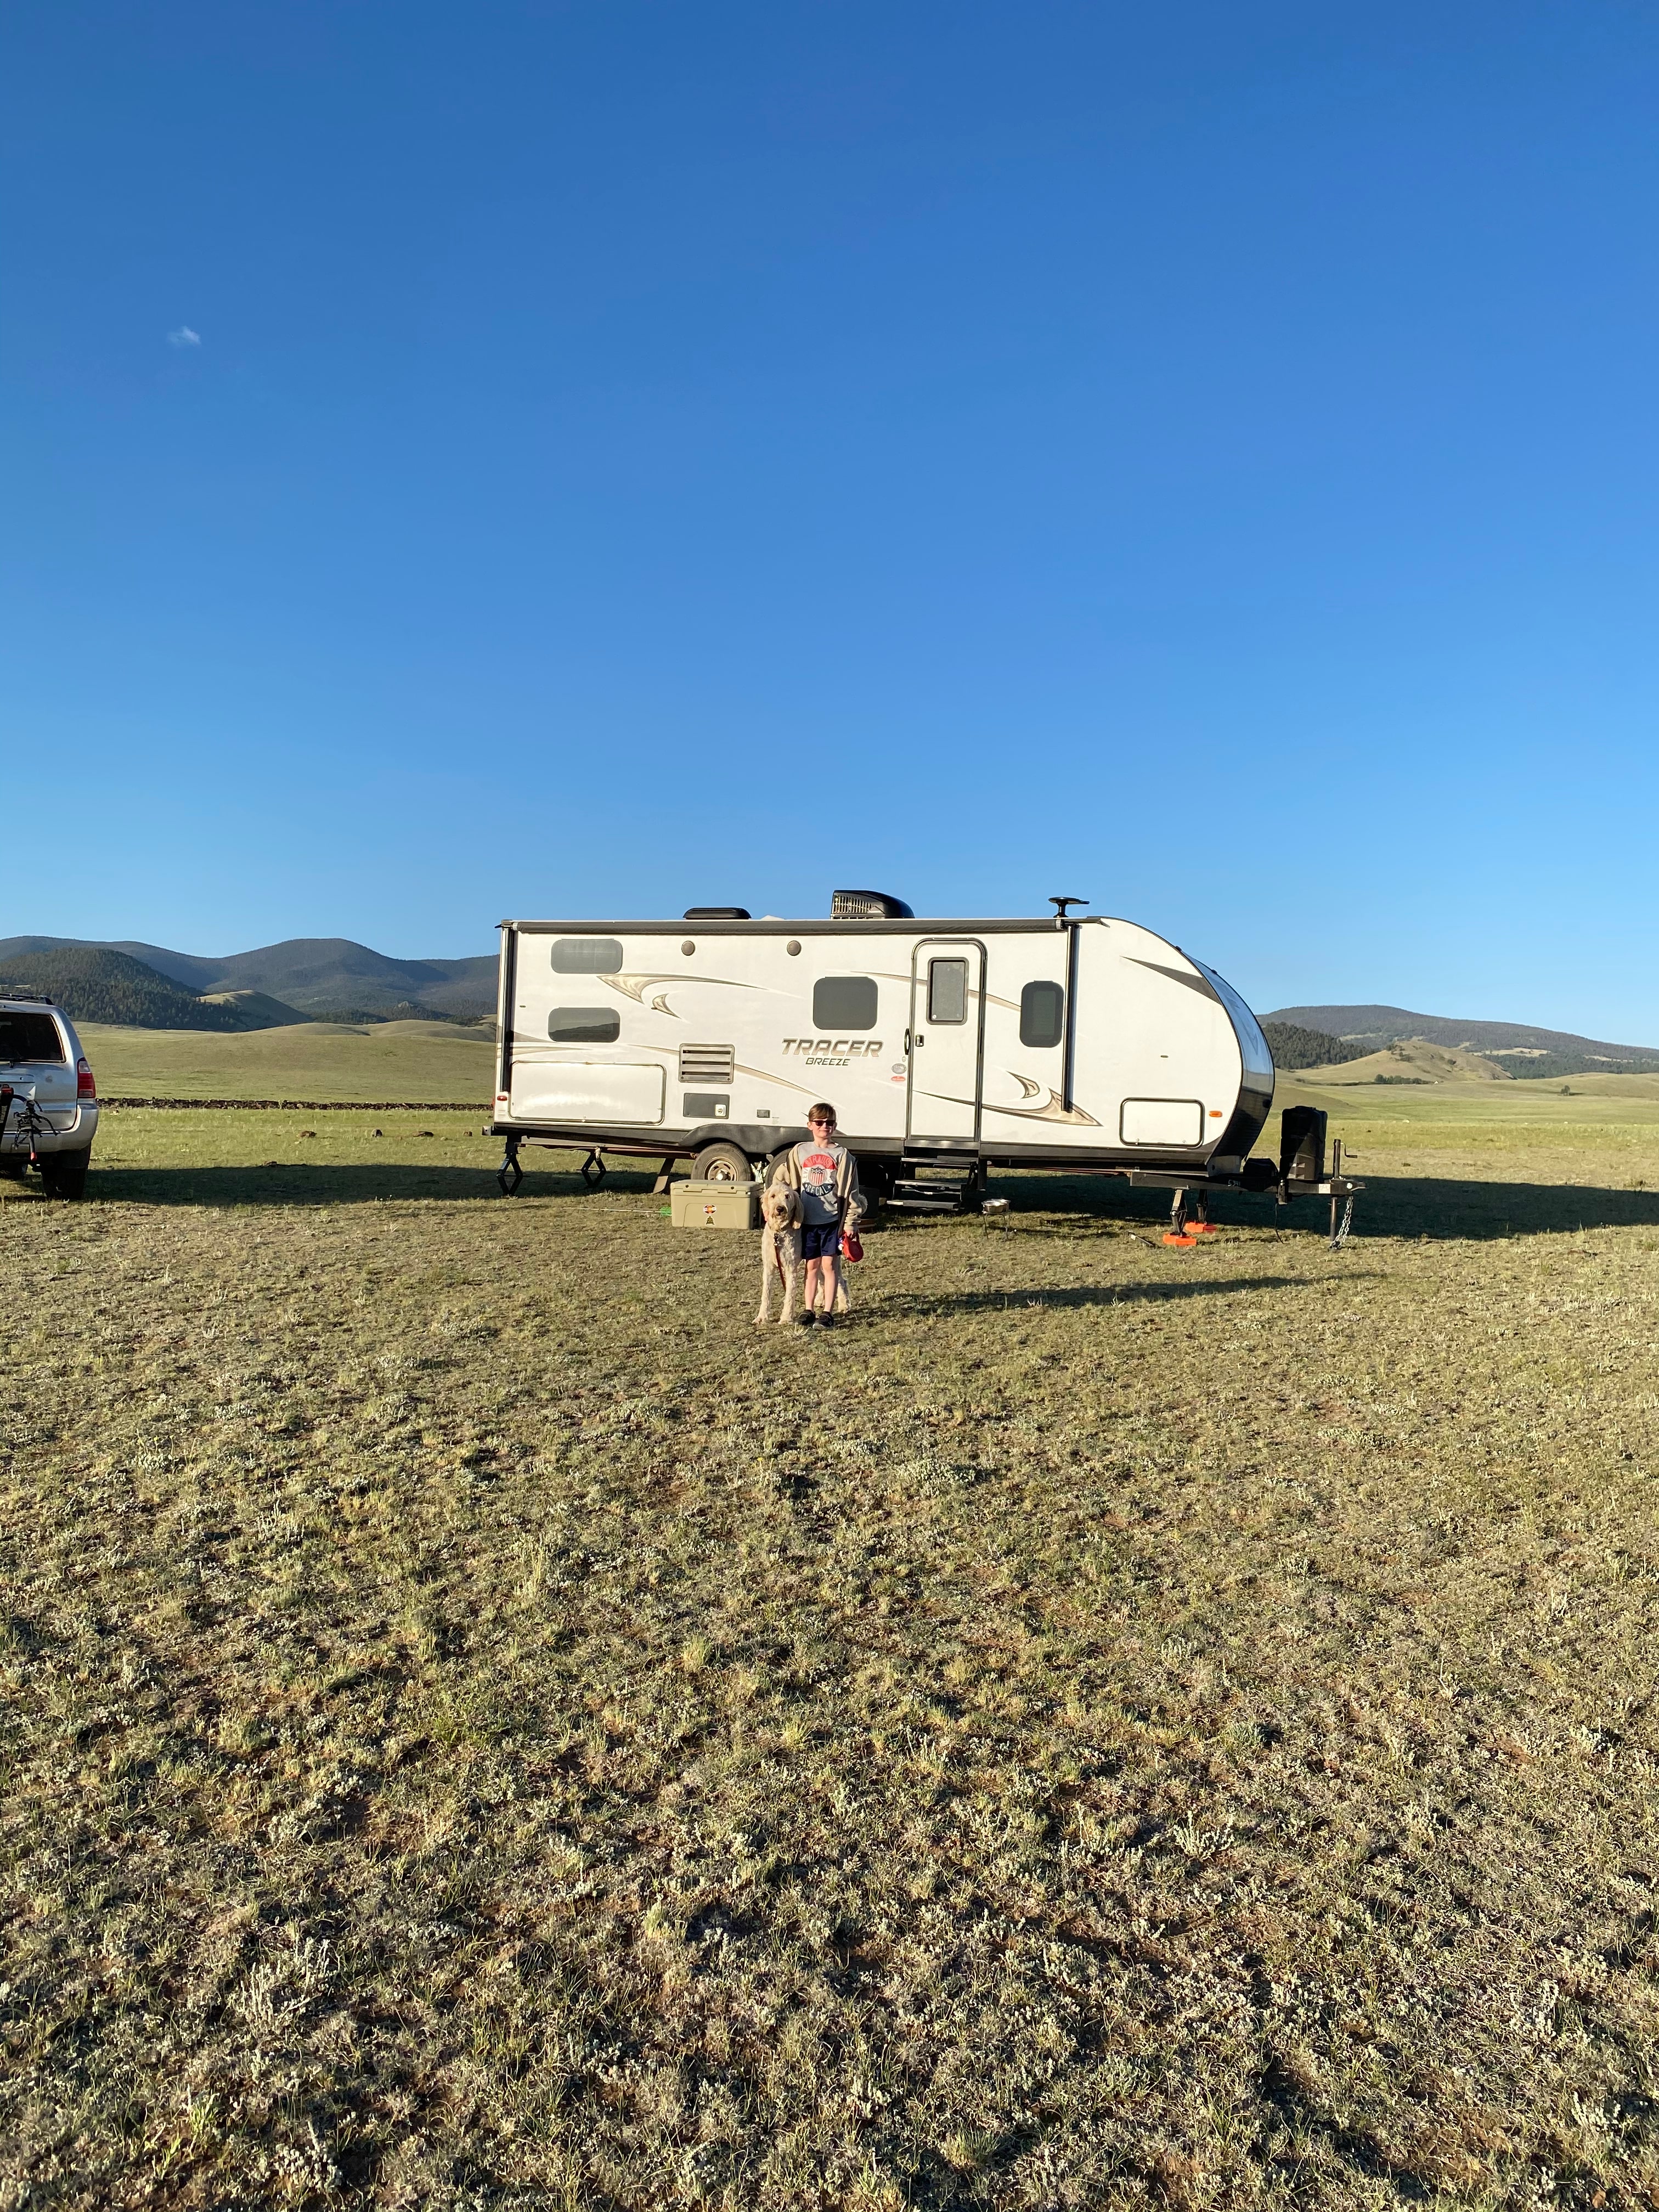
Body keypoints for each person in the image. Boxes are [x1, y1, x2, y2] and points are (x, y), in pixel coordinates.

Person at [772, 1103, 862, 1328]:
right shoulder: (799, 1152)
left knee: (830, 1266)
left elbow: (853, 1193)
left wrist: (850, 1223)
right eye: (820, 1123)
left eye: (829, 1123)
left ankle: (828, 1312)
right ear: (810, 1125)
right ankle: (809, 1309)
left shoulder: (843, 1156)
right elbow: (780, 1181)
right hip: (806, 1221)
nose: (825, 1127)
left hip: (832, 1221)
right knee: (811, 1266)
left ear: (835, 1126)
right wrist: (773, 1205)